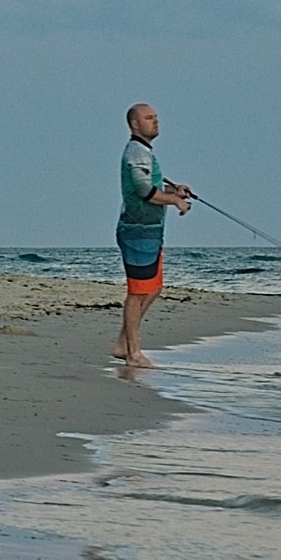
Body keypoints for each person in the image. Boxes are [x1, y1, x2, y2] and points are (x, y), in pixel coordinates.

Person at [112, 102, 191, 366]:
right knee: (137, 293)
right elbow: (144, 190)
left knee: (154, 289)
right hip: (137, 232)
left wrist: (174, 190)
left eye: (156, 117)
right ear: (135, 124)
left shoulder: (144, 151)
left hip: (151, 231)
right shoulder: (136, 151)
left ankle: (123, 343)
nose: (155, 121)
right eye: (148, 118)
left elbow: (151, 183)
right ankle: (133, 354)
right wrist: (175, 201)